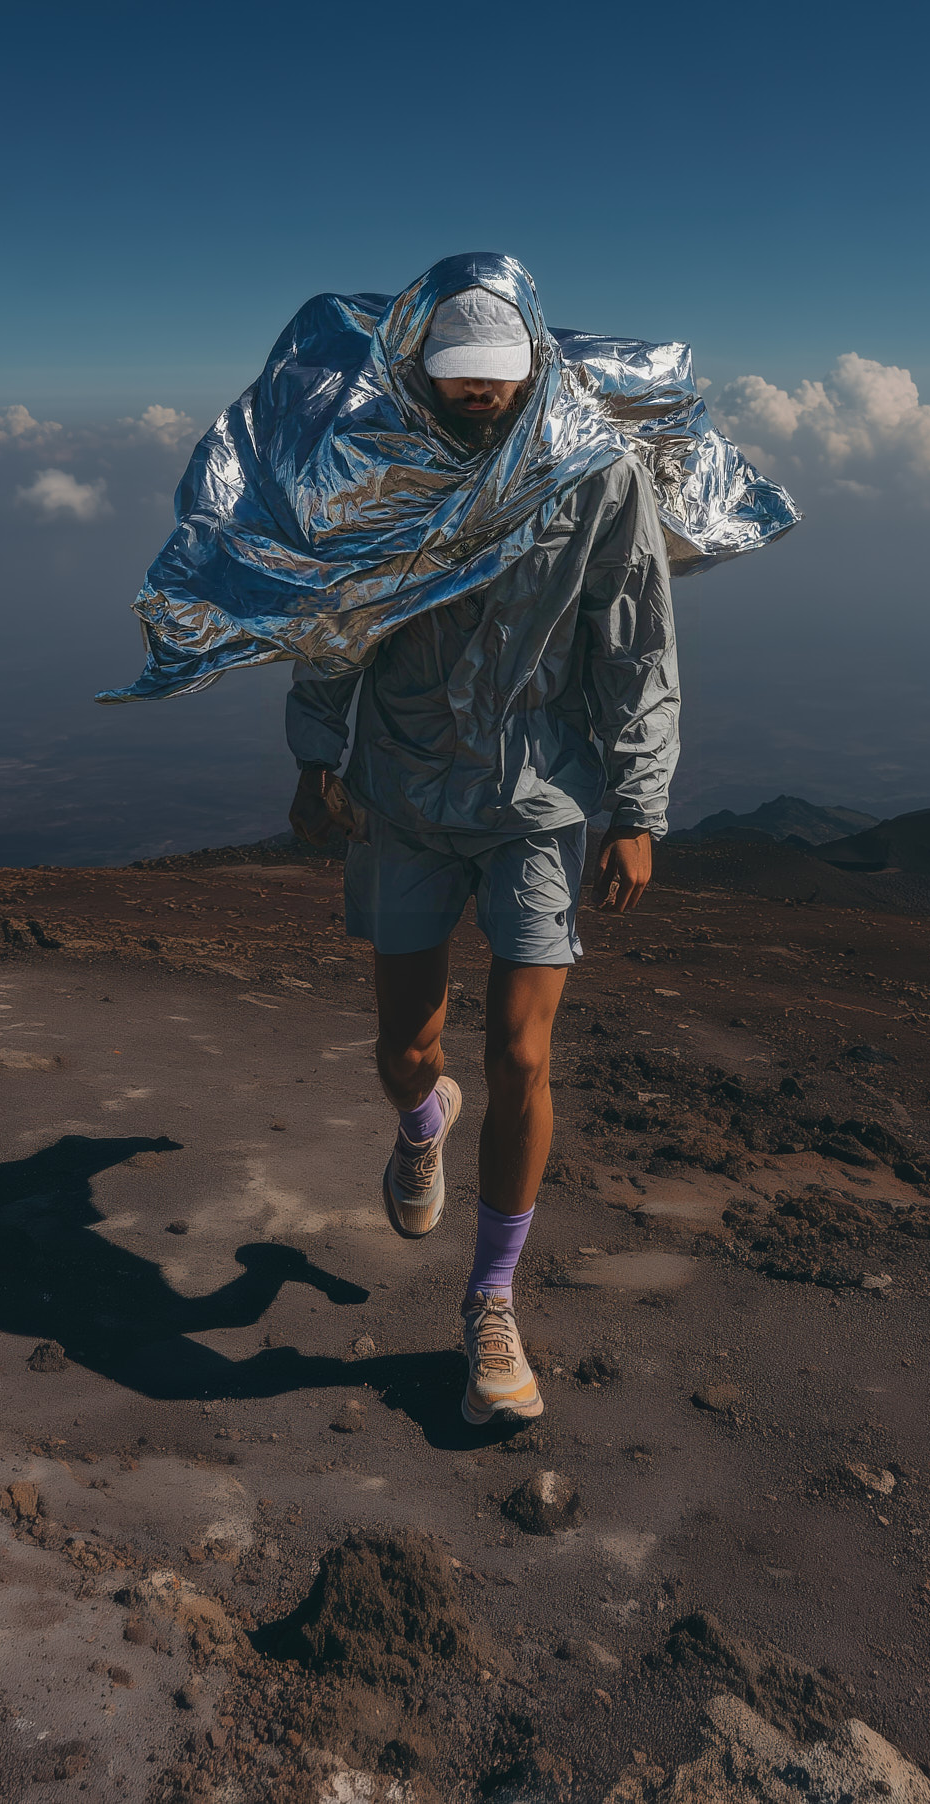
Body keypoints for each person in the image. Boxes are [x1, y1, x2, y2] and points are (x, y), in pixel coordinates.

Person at [286, 279, 679, 1427]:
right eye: (456, 395)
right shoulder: (380, 473)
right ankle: (421, 1120)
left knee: (522, 1051)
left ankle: (490, 1304)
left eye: (492, 397)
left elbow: (636, 643)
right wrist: (318, 753)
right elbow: (335, 621)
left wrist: (638, 807)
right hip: (401, 797)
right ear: (422, 382)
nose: (475, 413)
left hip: (537, 801)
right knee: (406, 1050)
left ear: (526, 383)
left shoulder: (593, 476)